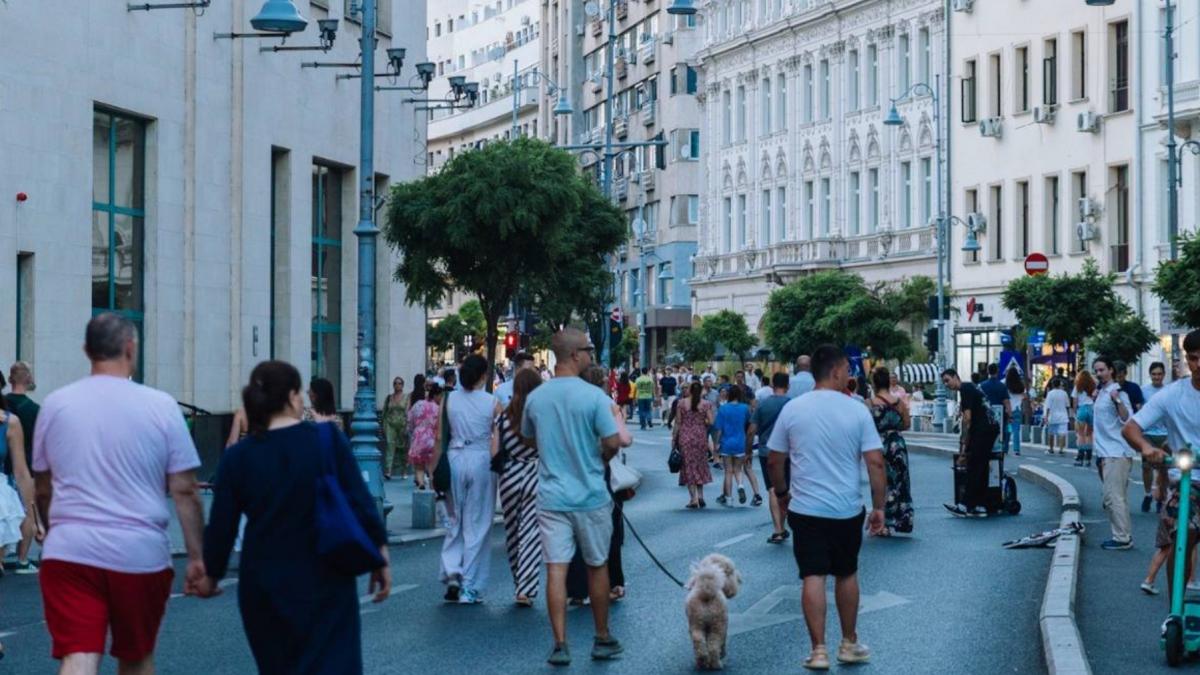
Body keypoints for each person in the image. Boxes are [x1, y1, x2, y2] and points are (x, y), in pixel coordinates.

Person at [33, 313, 210, 675]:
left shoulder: (55, 404)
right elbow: (184, 490)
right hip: (139, 553)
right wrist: (197, 557)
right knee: (135, 657)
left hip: (70, 550)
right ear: (131, 349)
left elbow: (43, 487)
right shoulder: (162, 406)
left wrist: (54, 531)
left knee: (78, 654)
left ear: (87, 351)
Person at [201, 360, 390, 673]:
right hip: (326, 577)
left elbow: (222, 526)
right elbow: (360, 502)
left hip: (264, 584)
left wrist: (211, 574)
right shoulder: (327, 440)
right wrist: (379, 555)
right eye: (300, 393)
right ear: (291, 397)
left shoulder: (238, 457)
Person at [766, 344, 887, 669]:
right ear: (835, 371)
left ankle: (818, 650)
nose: (850, 374)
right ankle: (848, 643)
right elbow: (875, 463)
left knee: (813, 575)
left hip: (805, 509)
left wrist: (782, 493)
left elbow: (775, 459)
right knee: (846, 574)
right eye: (847, 369)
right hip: (847, 508)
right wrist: (879, 507)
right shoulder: (857, 410)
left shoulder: (793, 409)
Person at [521, 328, 632, 666]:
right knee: (597, 566)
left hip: (551, 496)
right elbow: (613, 442)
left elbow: (528, 438)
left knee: (556, 569)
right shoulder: (594, 397)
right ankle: (601, 637)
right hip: (590, 495)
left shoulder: (537, 398)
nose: (590, 355)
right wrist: (600, 459)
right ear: (573, 355)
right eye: (587, 350)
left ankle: (560, 643)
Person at [1124, 329, 1200, 598]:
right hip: (1190, 481)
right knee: (1181, 535)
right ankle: (1175, 606)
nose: (1199, 364)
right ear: (1187, 361)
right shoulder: (1172, 395)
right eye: (1194, 358)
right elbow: (1131, 428)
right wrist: (1147, 448)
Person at [434, 354, 500, 604]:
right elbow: (498, 437)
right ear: (483, 375)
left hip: (454, 458)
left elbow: (439, 437)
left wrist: (434, 470)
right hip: (481, 459)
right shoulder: (492, 402)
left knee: (454, 520)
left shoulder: (448, 399)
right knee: (478, 524)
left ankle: (452, 572)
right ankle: (470, 585)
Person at [495, 369, 544, 607]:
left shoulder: (504, 417)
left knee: (512, 532)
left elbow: (495, 451)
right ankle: (526, 587)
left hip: (509, 476)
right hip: (535, 474)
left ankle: (518, 581)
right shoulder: (540, 416)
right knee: (531, 532)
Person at [941, 368, 999, 517]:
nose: (946, 384)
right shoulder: (971, 387)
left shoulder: (965, 389)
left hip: (983, 430)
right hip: (991, 428)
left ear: (955, 376)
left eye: (947, 380)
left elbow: (967, 419)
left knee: (974, 466)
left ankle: (965, 505)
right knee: (982, 467)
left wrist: (964, 446)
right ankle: (980, 505)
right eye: (944, 382)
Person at [1091, 356, 1134, 550]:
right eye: (1096, 371)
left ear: (1111, 370)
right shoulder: (1101, 392)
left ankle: (1122, 538)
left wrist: (1117, 400)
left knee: (1113, 497)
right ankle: (1121, 535)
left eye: (1102, 370)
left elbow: (1127, 418)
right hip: (1105, 452)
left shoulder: (1118, 393)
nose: (1098, 374)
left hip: (1116, 452)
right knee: (1113, 497)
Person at [3, 362, 40, 574]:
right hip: (25, 465)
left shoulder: (3, 404)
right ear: (28, 379)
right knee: (28, 511)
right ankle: (23, 559)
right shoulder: (34, 409)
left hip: (4, 466)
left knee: (6, 513)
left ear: (10, 379)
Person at [869, 367, 913, 535]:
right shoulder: (898, 402)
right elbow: (907, 424)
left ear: (874, 384)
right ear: (889, 382)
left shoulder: (869, 403)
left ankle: (883, 524)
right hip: (897, 445)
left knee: (880, 481)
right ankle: (902, 519)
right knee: (901, 481)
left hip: (877, 444)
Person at [749, 372, 791, 543]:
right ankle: (783, 525)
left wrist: (747, 451)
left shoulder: (762, 404)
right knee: (785, 488)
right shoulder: (791, 404)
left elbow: (752, 430)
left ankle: (778, 529)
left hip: (766, 451)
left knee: (772, 489)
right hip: (788, 452)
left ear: (773, 385)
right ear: (787, 386)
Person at [713, 385, 759, 507]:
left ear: (729, 395)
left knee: (728, 471)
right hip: (740, 442)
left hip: (726, 442)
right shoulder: (744, 408)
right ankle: (740, 485)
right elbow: (749, 424)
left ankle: (729, 498)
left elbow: (719, 429)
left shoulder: (723, 409)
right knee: (738, 469)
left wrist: (716, 444)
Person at [675, 381, 715, 509]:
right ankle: (701, 496)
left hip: (685, 437)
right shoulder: (706, 404)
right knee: (700, 465)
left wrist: (674, 438)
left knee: (688, 466)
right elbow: (711, 421)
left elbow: (678, 422)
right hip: (700, 437)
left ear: (690, 390)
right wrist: (702, 421)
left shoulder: (681, 403)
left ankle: (693, 498)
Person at [1141, 362, 1171, 514]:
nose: (1157, 377)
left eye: (1159, 374)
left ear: (1164, 375)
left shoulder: (1169, 391)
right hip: (1148, 433)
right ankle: (1147, 495)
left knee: (1163, 468)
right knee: (1146, 466)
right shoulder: (1144, 391)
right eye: (1154, 374)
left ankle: (1160, 497)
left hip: (1165, 434)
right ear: (1150, 375)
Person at [407, 383, 442, 491]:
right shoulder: (438, 408)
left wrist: (414, 429)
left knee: (419, 466)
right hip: (432, 438)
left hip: (418, 437)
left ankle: (421, 483)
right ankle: (432, 485)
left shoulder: (418, 404)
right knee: (431, 466)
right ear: (436, 395)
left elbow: (410, 419)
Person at [978, 364, 1011, 453]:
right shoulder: (1002, 386)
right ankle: (1001, 447)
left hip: (985, 413)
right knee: (1002, 430)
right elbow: (1006, 402)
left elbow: (979, 400)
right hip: (1000, 414)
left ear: (988, 371)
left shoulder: (982, 386)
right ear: (997, 371)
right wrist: (1010, 415)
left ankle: (986, 446)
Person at [382, 376, 408, 481]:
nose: (397, 385)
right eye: (395, 383)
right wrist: (383, 425)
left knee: (402, 448)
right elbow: (384, 412)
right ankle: (388, 471)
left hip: (402, 425)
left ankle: (404, 470)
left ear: (403, 385)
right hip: (390, 424)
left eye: (400, 383)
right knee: (390, 446)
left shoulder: (407, 397)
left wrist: (408, 425)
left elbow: (408, 412)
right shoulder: (389, 397)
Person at [1073, 370, 1097, 466]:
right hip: (1091, 409)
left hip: (1082, 409)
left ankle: (1080, 457)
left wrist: (1075, 411)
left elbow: (1075, 401)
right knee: (1089, 434)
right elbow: (1096, 398)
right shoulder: (1093, 386)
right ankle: (1088, 458)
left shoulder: (1077, 386)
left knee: (1081, 434)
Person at [1043, 378, 1071, 456]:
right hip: (1063, 415)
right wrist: (1068, 415)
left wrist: (1046, 416)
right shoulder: (1064, 393)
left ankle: (1051, 449)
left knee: (1051, 433)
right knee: (1062, 433)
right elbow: (1067, 405)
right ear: (1059, 384)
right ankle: (1061, 449)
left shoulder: (1050, 394)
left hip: (1052, 416)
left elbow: (1048, 406)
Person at [1006, 369, 1026, 457]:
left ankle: (1005, 449)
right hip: (1017, 410)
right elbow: (1024, 396)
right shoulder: (1020, 385)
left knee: (1008, 430)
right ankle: (1016, 450)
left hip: (1008, 410)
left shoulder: (1005, 384)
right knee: (1016, 430)